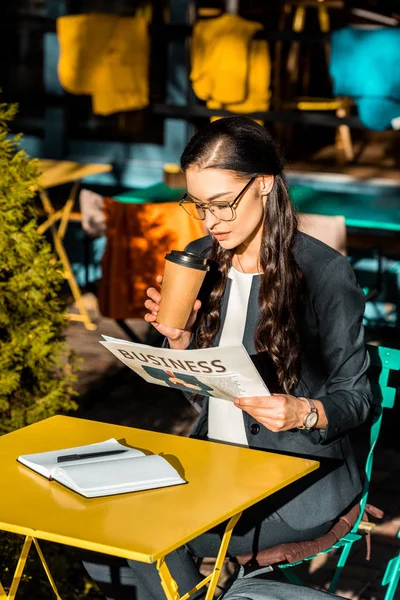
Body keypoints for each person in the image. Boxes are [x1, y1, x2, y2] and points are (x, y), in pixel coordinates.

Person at [83, 116, 372, 600]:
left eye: (221, 205)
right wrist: (176, 344)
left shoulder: (323, 272)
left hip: (294, 480)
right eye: (198, 206)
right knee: (99, 547)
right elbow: (201, 389)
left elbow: (358, 396)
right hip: (214, 464)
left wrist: (303, 410)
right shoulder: (199, 258)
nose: (209, 222)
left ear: (264, 185)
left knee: (149, 538)